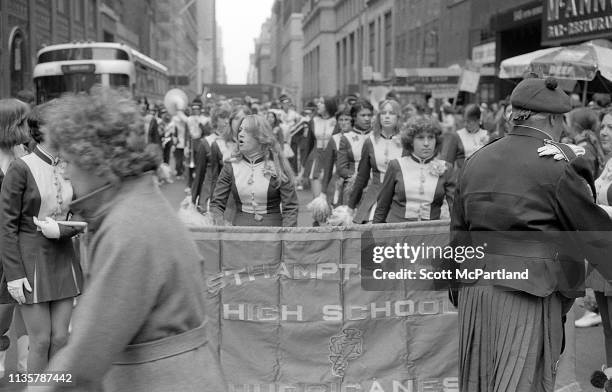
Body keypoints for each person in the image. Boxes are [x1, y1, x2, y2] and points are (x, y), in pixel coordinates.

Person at [38, 87, 225, 392]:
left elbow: (84, 359)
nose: (65, 172)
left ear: (96, 161)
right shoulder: (139, 207)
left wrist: (33, 385)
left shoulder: (128, 226)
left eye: (69, 161)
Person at [451, 77, 612, 392]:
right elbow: (591, 234)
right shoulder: (559, 162)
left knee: (480, 384)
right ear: (553, 119)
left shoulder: (477, 158)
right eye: (561, 121)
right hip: (527, 291)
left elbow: (459, 232)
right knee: (525, 384)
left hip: (473, 290)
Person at [0, 100, 84, 374]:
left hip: (63, 255)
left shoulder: (71, 165)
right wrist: (13, 274)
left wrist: (64, 229)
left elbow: (85, 213)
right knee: (41, 341)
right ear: (44, 129)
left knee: (61, 338)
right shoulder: (21, 167)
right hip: (30, 260)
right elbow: (7, 225)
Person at [210, 114, 298, 227]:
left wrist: (286, 238)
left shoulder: (278, 166)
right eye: (240, 130)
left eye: (246, 131)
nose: (240, 134)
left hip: (273, 235)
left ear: (260, 136)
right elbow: (217, 204)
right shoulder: (230, 166)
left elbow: (290, 208)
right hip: (239, 234)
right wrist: (219, 224)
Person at [0, 98, 31, 379]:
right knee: (3, 313)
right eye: (22, 121)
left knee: (27, 311)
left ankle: (27, 373)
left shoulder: (24, 153)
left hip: (23, 243)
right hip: (3, 245)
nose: (28, 127)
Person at [373, 117, 454, 223]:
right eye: (420, 138)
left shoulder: (446, 168)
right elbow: (382, 205)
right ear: (411, 141)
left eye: (431, 138)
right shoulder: (396, 166)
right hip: (397, 231)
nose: (426, 143)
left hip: (430, 233)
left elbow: (455, 207)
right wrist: (375, 233)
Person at [347, 99, 403, 224]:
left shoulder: (406, 141)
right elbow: (362, 177)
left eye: (391, 113)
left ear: (398, 117)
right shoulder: (370, 141)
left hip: (399, 198)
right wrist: (351, 206)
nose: (387, 116)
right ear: (378, 117)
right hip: (375, 195)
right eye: (383, 113)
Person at [337, 100, 373, 206]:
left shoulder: (377, 136)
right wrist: (359, 179)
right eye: (363, 115)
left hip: (375, 188)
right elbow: (341, 168)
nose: (367, 118)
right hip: (352, 188)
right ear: (354, 117)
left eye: (369, 115)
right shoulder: (346, 138)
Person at [304, 97, 338, 198]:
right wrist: (303, 169)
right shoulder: (313, 121)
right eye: (318, 102)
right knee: (318, 201)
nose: (318, 104)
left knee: (331, 198)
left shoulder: (338, 121)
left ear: (329, 105)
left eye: (321, 102)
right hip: (317, 160)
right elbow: (309, 145)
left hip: (333, 161)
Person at [441, 104, 490, 170]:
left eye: (469, 122)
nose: (465, 124)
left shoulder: (486, 134)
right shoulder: (457, 136)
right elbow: (448, 161)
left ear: (478, 120)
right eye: (464, 121)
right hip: (463, 176)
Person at [321, 107, 353, 206]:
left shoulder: (360, 138)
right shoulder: (334, 139)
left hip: (355, 179)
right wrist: (323, 192)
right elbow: (328, 168)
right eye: (341, 120)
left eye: (347, 119)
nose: (343, 123)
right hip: (337, 182)